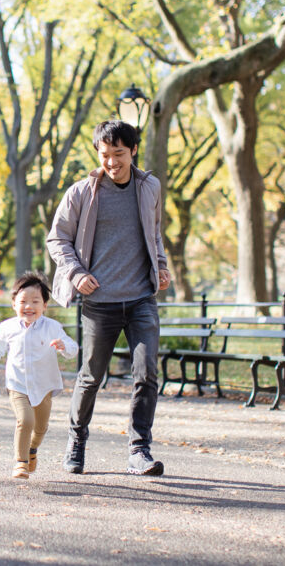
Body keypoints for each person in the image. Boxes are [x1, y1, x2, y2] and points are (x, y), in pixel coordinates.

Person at [46, 120, 171, 477]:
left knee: (146, 373)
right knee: (91, 376)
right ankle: (76, 441)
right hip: (99, 301)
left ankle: (139, 450)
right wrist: (76, 273)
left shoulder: (149, 188)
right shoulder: (81, 192)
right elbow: (58, 240)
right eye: (105, 155)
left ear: (133, 151)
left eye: (119, 153)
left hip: (141, 298)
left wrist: (160, 266)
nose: (112, 162)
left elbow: (155, 232)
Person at [0, 271, 78, 480]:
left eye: (35, 301)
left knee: (40, 428)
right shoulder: (8, 328)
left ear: (45, 306)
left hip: (44, 385)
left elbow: (73, 347)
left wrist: (63, 346)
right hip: (18, 384)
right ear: (14, 303)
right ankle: (21, 463)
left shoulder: (52, 327)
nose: (29, 306)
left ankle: (32, 449)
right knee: (25, 420)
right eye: (23, 301)